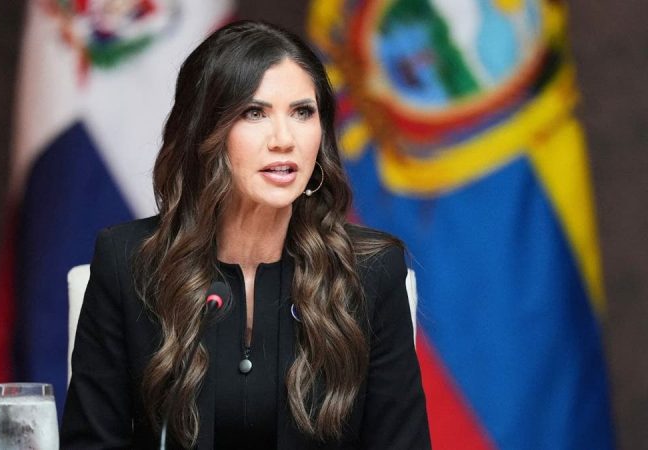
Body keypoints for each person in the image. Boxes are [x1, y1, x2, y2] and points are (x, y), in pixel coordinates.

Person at [61, 20, 431, 449]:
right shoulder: (129, 262)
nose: (284, 140)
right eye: (255, 113)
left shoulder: (369, 272)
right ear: (205, 130)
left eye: (302, 112)